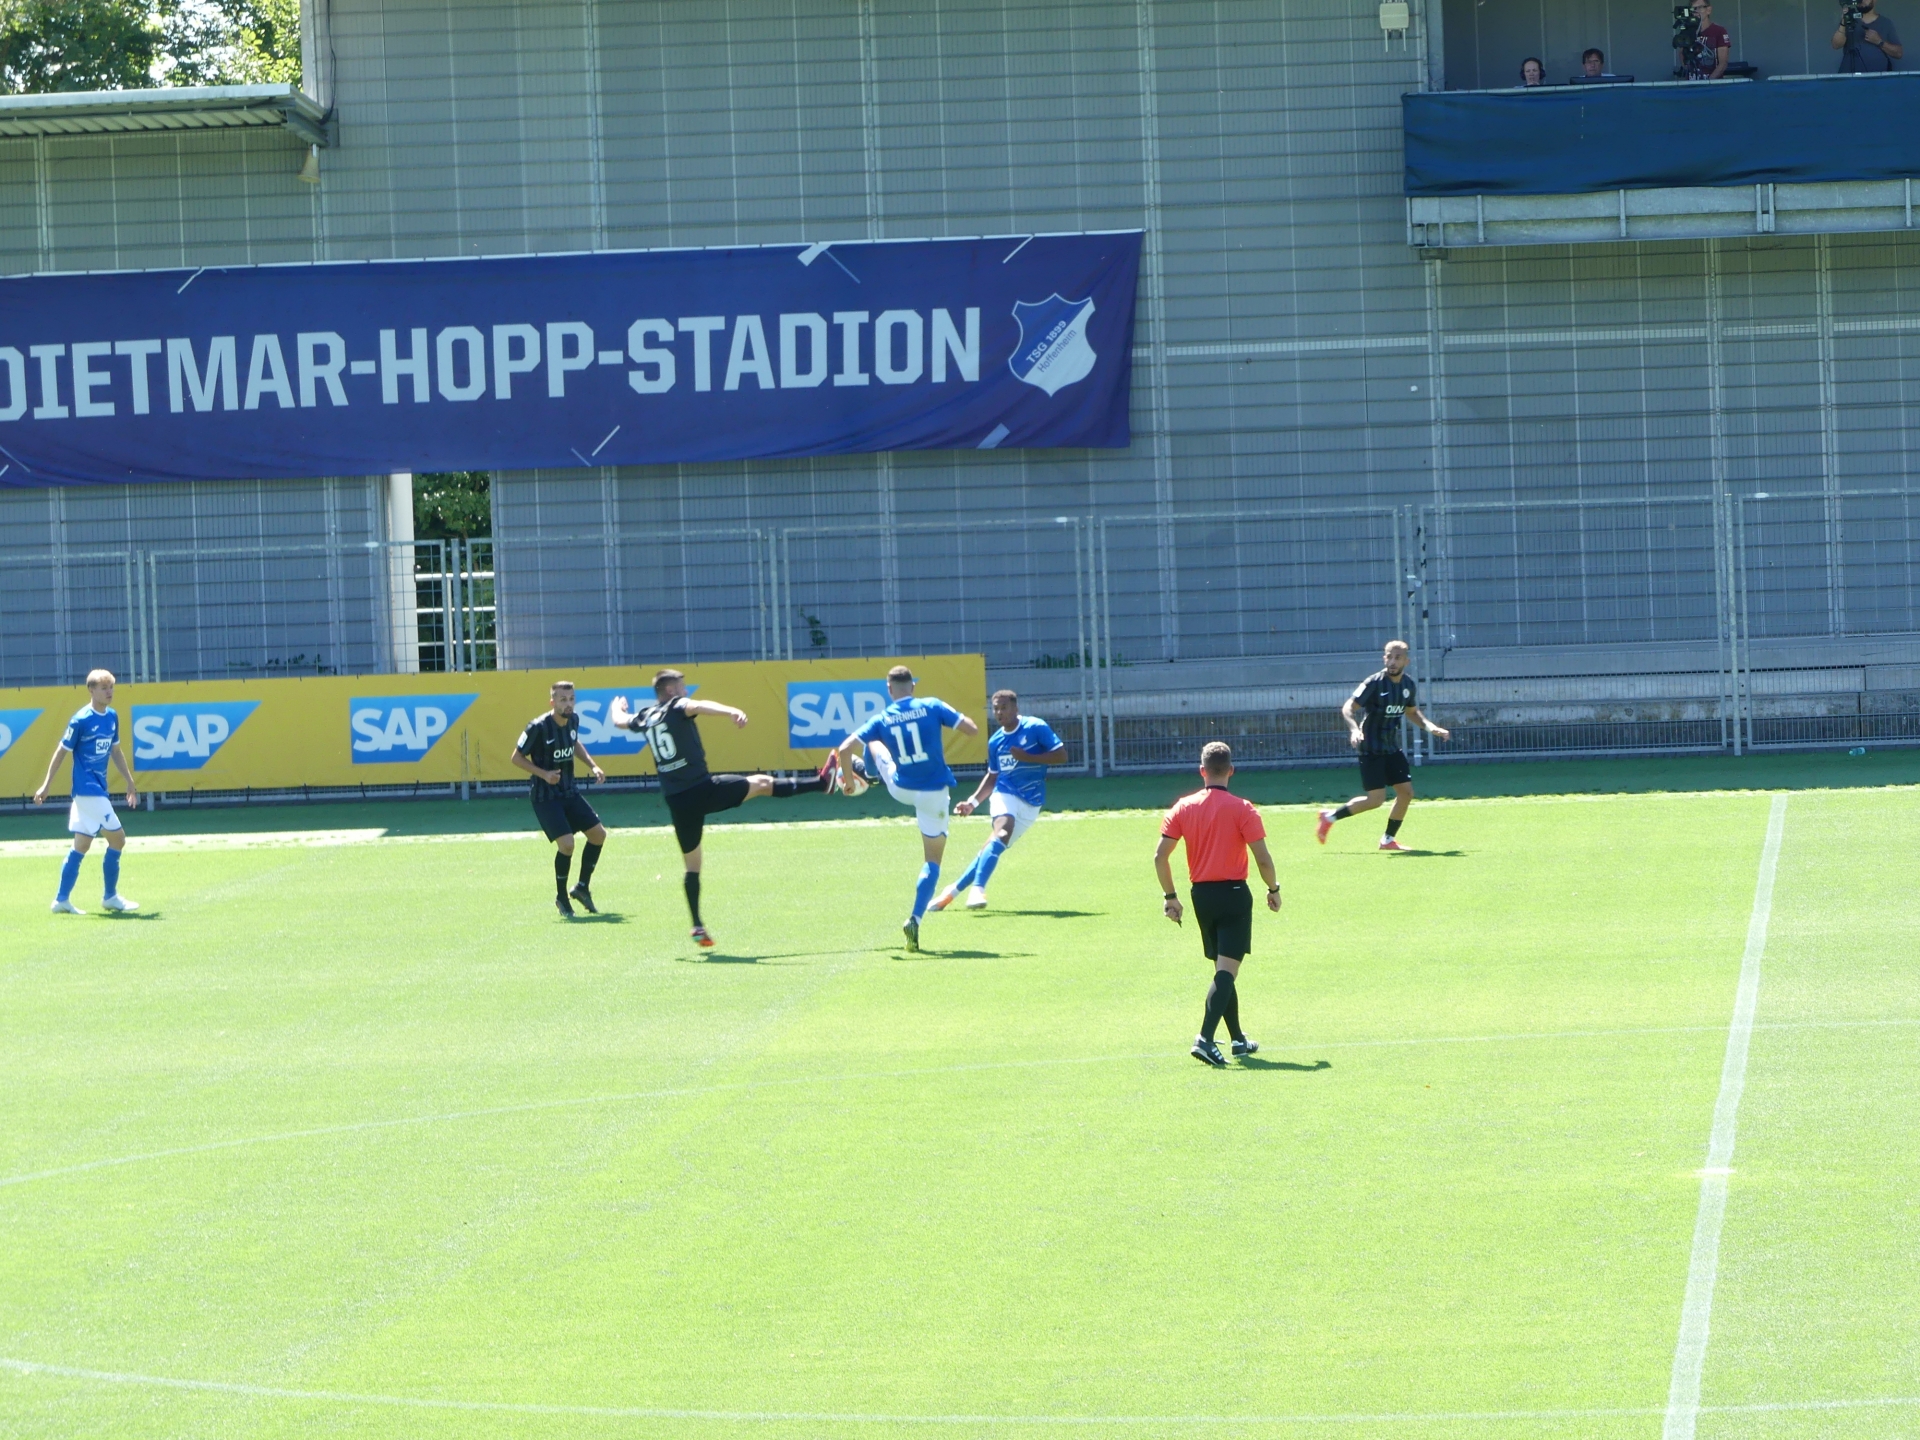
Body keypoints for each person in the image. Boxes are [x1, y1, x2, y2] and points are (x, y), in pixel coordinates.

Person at [610, 669, 833, 949]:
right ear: (670, 691)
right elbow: (700, 705)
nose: (685, 691)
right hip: (703, 790)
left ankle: (696, 924)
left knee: (692, 866)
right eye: (682, 686)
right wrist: (731, 711)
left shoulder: (645, 716)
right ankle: (822, 783)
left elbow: (619, 721)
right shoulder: (676, 706)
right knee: (762, 783)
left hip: (677, 801)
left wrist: (616, 708)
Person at [832, 665, 979, 953]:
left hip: (901, 788)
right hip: (934, 794)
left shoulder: (882, 717)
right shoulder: (932, 705)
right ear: (913, 686)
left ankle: (869, 774)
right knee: (932, 863)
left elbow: (845, 748)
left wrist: (848, 782)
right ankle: (915, 919)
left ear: (889, 690)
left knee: (873, 742)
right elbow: (972, 730)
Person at [1154, 742, 1280, 1068]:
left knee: (1223, 968)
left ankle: (1237, 1039)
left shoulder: (1183, 807)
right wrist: (1273, 888)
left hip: (1201, 897)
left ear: (1202, 771)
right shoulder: (1243, 809)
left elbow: (1160, 856)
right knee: (1226, 971)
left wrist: (1170, 897)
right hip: (1234, 894)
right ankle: (1205, 1039)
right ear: (1231, 771)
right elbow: (1263, 859)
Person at [930, 689, 1066, 913]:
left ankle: (951, 892)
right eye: (996, 709)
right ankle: (978, 889)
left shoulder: (1035, 727)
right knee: (1002, 831)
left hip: (1032, 802)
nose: (1000, 712)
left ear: (1016, 708)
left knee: (991, 848)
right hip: (1005, 793)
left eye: (1004, 707)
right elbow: (993, 776)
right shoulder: (995, 741)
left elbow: (1061, 755)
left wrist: (1028, 757)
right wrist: (972, 803)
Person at [1316, 639, 1450, 852]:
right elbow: (1348, 708)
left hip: (1391, 747)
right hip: (1370, 747)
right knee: (1375, 800)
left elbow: (1412, 712)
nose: (1393, 661)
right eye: (1389, 657)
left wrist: (1431, 728)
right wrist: (1354, 729)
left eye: (1398, 657)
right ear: (1384, 658)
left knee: (1406, 793)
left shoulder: (1408, 685)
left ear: (1406, 661)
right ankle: (1330, 817)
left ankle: (1388, 840)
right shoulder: (1374, 683)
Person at [33, 668, 138, 915]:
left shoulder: (112, 717)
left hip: (97, 790)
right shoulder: (80, 720)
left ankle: (61, 900)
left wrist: (129, 781)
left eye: (111, 687)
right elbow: (61, 752)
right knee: (118, 839)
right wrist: (46, 784)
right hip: (87, 791)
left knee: (81, 845)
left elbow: (116, 751)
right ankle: (110, 896)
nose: (109, 692)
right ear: (91, 690)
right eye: (104, 688)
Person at [511, 680, 608, 917]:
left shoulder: (573, 720)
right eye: (563, 700)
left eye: (571, 699)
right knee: (567, 844)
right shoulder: (538, 727)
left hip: (569, 791)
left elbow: (574, 742)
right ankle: (562, 898)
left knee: (598, 835)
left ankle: (582, 887)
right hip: (545, 797)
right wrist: (544, 774)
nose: (568, 704)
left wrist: (593, 765)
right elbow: (516, 758)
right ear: (552, 702)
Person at [1835, 0, 1902, 69]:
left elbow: (1898, 53)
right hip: (1851, 74)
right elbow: (1836, 45)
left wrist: (1879, 42)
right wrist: (1843, 23)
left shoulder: (1886, 23)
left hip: (1877, 74)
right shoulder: (1849, 19)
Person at [1679, 0, 1731, 78]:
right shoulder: (1687, 31)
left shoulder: (1719, 31)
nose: (1696, 11)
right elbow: (1681, 54)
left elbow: (1723, 63)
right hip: (1692, 82)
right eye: (1694, 9)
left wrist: (1709, 81)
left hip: (1713, 83)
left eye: (1700, 7)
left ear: (1708, 10)